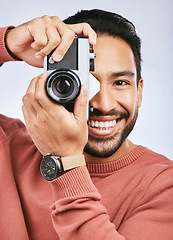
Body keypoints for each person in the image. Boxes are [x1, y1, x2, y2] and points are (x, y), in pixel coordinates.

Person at [0, 9, 173, 240]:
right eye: (86, 82)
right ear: (53, 84)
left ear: (139, 91)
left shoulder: (163, 186)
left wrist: (67, 161)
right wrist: (8, 43)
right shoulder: (7, 146)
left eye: (120, 82)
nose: (103, 103)